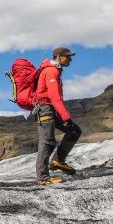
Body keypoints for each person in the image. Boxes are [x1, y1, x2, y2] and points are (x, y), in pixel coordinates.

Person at [35, 47, 82, 186]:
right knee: (47, 142)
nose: (70, 59)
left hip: (51, 109)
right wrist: (65, 116)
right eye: (68, 56)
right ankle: (43, 178)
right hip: (45, 109)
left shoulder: (55, 70)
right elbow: (55, 97)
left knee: (74, 131)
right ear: (59, 57)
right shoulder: (51, 71)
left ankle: (58, 161)